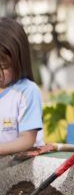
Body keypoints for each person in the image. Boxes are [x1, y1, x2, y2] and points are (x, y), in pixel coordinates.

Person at [0, 17, 43, 155]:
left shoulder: (27, 92)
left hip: (23, 170)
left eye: (3, 66)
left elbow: (27, 140)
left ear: (19, 61)